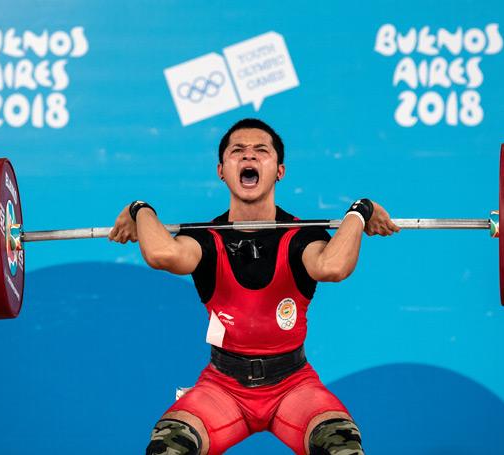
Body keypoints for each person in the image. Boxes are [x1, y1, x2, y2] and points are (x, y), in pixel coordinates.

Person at [109, 118, 400, 455]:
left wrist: (358, 212)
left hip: (294, 387)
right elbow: (162, 253)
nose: (249, 158)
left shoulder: (302, 236)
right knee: (169, 446)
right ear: (222, 170)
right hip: (222, 388)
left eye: (261, 151)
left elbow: (332, 267)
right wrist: (140, 208)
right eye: (238, 152)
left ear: (279, 170)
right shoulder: (205, 238)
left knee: (341, 445)